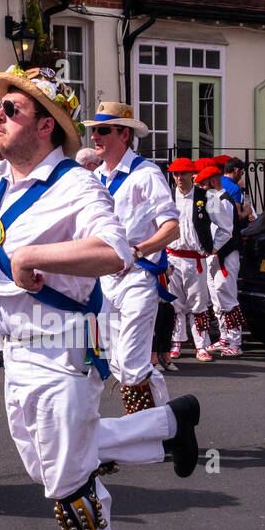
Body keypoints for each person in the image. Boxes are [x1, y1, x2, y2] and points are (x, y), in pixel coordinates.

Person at [0, 65, 201, 530]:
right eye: (0, 106)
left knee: (64, 474)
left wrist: (36, 257)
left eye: (13, 109)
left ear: (47, 127)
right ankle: (167, 425)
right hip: (16, 347)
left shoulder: (76, 185)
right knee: (44, 459)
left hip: (65, 345)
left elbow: (116, 250)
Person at [82, 101, 179, 409]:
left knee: (134, 363)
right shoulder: (95, 178)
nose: (95, 137)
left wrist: (135, 252)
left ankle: (144, 431)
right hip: (105, 281)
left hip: (138, 278)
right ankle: (168, 421)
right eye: (93, 130)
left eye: (103, 130)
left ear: (124, 135)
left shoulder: (146, 175)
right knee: (118, 363)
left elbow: (172, 229)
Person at [165, 156, 217, 362]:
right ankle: (176, 342)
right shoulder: (168, 197)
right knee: (175, 302)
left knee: (199, 303)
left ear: (192, 175)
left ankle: (201, 345)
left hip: (195, 258)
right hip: (172, 257)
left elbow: (225, 227)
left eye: (183, 173)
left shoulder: (207, 197)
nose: (179, 178)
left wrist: (212, 247)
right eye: (176, 174)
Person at [197, 160, 245, 357]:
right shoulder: (212, 198)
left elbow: (224, 230)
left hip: (225, 255)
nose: (200, 188)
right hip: (216, 255)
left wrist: (214, 248)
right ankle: (225, 337)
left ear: (214, 181)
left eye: (203, 184)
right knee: (217, 298)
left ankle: (235, 341)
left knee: (227, 296)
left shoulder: (221, 199)